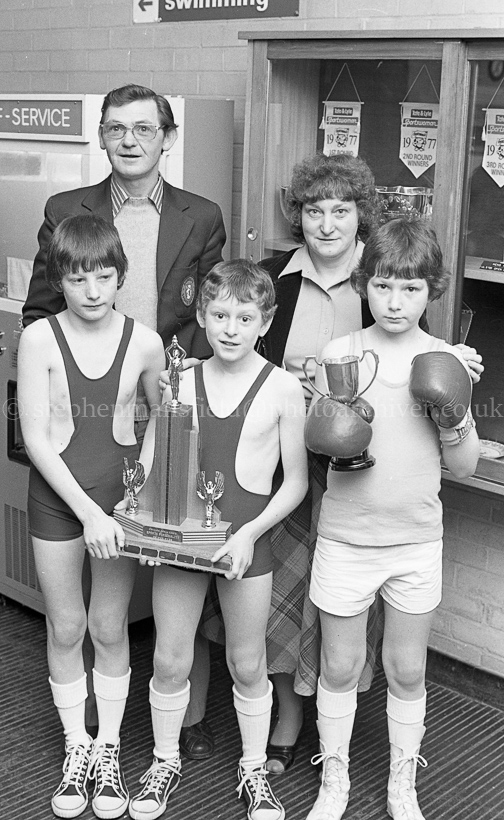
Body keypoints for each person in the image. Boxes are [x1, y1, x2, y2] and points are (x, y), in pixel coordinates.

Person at [255, 152, 484, 774]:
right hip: (299, 468)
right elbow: (246, 354)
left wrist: (455, 392)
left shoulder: (398, 293)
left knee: (381, 652)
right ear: (296, 216)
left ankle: (377, 762)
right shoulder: (276, 282)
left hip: (385, 501)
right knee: (289, 606)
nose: (326, 223)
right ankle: (298, 730)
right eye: (313, 210)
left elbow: (431, 395)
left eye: (341, 210)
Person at [22, 82, 226, 760]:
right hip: (78, 417)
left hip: (161, 415)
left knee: (171, 575)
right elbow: (38, 311)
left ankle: (181, 720)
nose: (130, 139)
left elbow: (211, 321)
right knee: (71, 616)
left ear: (167, 137)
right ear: (102, 138)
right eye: (116, 128)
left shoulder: (201, 216)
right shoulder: (65, 209)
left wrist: (174, 399)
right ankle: (90, 745)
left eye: (144, 128)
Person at [305, 217, 480, 820]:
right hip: (347, 539)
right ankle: (335, 781)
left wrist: (454, 409)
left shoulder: (445, 359)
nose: (395, 301)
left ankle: (402, 784)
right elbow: (324, 450)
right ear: (363, 285)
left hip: (414, 543)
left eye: (409, 288)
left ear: (431, 290)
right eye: (382, 286)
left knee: (406, 668)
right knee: (339, 665)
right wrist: (327, 426)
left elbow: (464, 465)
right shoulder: (340, 355)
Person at [128, 260, 308, 820]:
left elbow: (297, 482)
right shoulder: (178, 379)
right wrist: (143, 522)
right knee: (170, 659)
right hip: (181, 540)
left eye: (244, 316)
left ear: (265, 321)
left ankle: (253, 771)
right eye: (220, 315)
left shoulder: (282, 388)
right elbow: (153, 461)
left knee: (248, 663)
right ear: (203, 318)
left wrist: (252, 533)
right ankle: (163, 761)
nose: (231, 327)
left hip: (244, 543)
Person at [17, 215, 166, 819]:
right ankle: (76, 748)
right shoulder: (39, 340)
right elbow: (35, 437)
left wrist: (135, 497)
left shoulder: (147, 341)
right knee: (65, 627)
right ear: (61, 280)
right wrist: (88, 512)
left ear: (120, 276)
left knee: (109, 628)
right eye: (79, 279)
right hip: (59, 498)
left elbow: (164, 415)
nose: (93, 291)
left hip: (119, 503)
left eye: (105, 277)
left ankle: (107, 749)